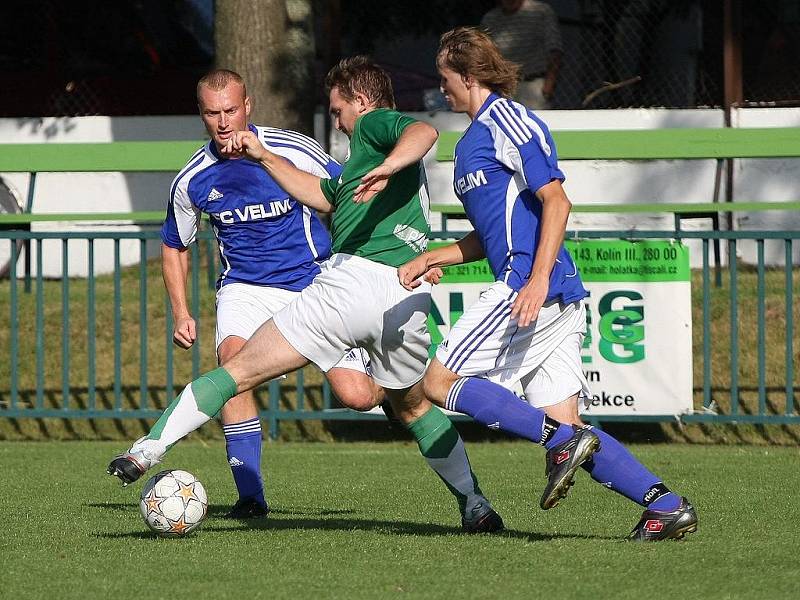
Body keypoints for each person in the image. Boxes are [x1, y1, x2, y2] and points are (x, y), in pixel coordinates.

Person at [108, 57, 504, 534]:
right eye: (212, 113)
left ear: (359, 101)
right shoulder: (209, 172)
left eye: (338, 110)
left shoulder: (373, 125)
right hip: (396, 289)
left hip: (337, 287)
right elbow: (330, 195)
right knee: (416, 405)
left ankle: (147, 449)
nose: (336, 120)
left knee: (240, 374)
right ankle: (476, 503)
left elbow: (422, 133)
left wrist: (390, 164)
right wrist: (269, 161)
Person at [396, 27, 698, 541]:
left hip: (529, 287)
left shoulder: (508, 120)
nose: (441, 89)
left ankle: (559, 442)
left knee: (438, 382)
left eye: (445, 79)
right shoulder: (470, 143)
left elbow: (557, 200)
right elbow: (493, 231)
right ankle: (665, 506)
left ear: (468, 77)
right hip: (542, 289)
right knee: (569, 426)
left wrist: (534, 280)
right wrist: (438, 254)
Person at [158, 68, 382, 519]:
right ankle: (251, 497)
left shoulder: (292, 149)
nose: (223, 123)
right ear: (201, 115)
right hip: (244, 287)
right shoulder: (192, 178)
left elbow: (349, 196)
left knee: (358, 396)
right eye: (212, 114)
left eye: (230, 111)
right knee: (233, 366)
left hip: (310, 281)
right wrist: (181, 310)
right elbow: (174, 244)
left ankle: (397, 388)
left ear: (248, 106)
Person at [481, 0, 562, 110]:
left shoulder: (540, 11)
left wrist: (549, 84)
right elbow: (484, 55)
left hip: (534, 84)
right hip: (503, 87)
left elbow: (554, 49)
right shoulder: (490, 19)